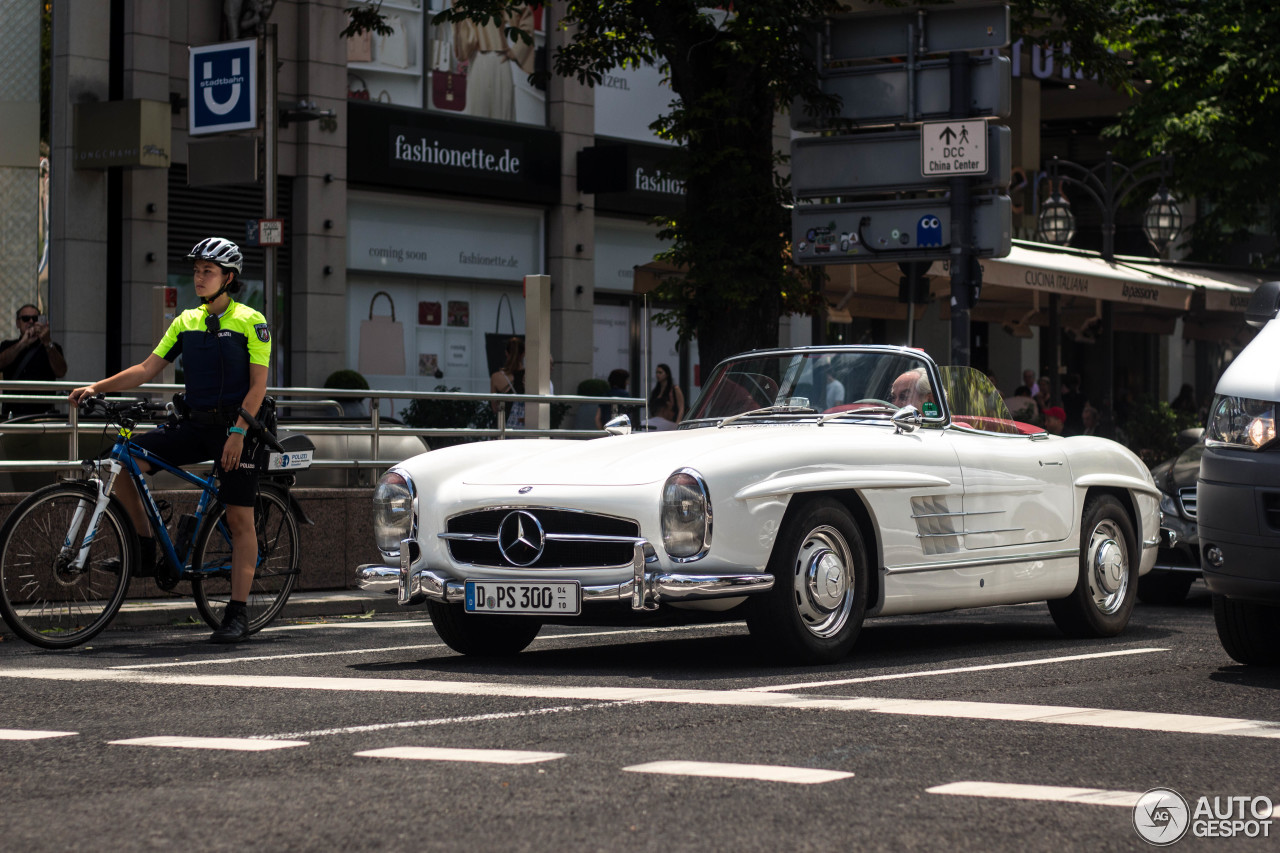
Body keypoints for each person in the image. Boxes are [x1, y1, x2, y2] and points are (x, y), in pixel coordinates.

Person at [68, 238, 268, 644]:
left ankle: (238, 613)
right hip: (194, 426)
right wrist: (96, 386)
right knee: (122, 461)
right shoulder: (186, 322)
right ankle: (143, 546)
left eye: (207, 270)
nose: (199, 276)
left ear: (229, 278)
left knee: (239, 520)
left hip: (237, 431)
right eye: (196, 270)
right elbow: (146, 368)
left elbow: (258, 385)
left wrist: (238, 433)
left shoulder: (251, 320)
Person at [453, 1, 535, 122]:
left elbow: (525, 16)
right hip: (479, 60)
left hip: (497, 60)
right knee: (478, 119)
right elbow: (464, 46)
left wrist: (516, 51)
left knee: (501, 118)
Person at [0, 304, 68, 419]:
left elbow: (61, 372)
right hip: (13, 413)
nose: (31, 321)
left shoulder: (52, 347)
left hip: (42, 414)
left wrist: (47, 342)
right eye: (26, 319)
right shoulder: (8, 345)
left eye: (35, 319)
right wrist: (23, 343)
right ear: (18, 323)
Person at [490, 336, 526, 428]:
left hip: (502, 427)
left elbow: (494, 408)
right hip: (524, 428)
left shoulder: (496, 377)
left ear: (506, 353)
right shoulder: (528, 376)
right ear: (523, 354)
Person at [645, 363, 685, 431]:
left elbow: (681, 408)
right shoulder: (655, 391)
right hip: (656, 423)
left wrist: (677, 423)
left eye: (660, 372)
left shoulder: (675, 389)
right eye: (656, 372)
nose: (657, 375)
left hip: (671, 423)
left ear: (667, 374)